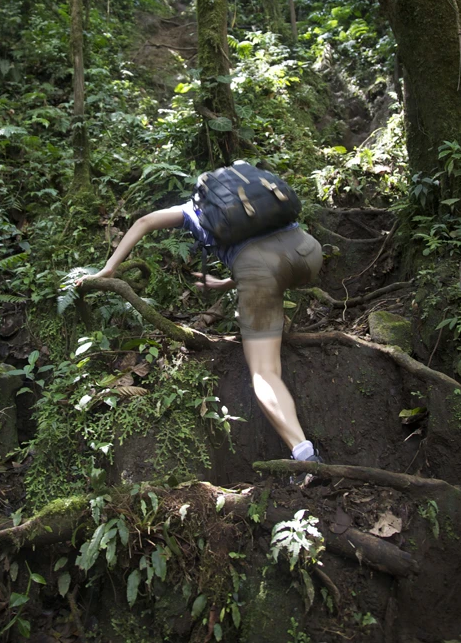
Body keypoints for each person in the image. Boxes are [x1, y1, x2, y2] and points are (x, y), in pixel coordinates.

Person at [82, 172, 324, 464]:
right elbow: (269, 250)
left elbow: (144, 222)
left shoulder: (193, 210)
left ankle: (304, 456)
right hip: (309, 253)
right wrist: (228, 282)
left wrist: (109, 269)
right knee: (269, 280)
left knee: (264, 372)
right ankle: (271, 321)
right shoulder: (257, 201)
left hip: (260, 271)